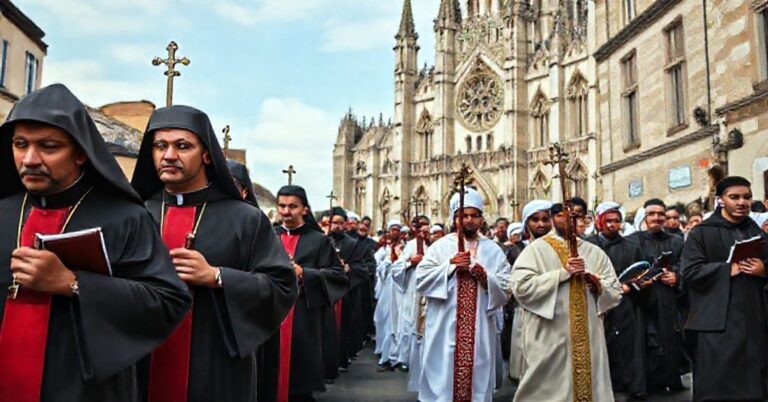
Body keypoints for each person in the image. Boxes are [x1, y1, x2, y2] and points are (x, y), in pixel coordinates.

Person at [0, 84, 191, 401]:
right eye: (21, 144)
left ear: (80, 153)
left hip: (83, 389)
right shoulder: (4, 210)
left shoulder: (126, 217)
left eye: (48, 146)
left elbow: (168, 301)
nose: (30, 159)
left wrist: (73, 284)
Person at [131, 105, 297, 402]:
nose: (169, 155)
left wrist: (216, 277)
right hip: (141, 364)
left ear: (207, 154)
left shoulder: (246, 219)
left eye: (182, 146)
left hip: (215, 367)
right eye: (160, 146)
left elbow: (282, 286)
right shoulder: (136, 214)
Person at [510, 202, 622, 402]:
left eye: (576, 215)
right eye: (563, 215)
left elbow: (615, 290)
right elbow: (521, 287)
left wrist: (598, 286)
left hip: (588, 336)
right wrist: (562, 274)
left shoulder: (594, 252)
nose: (571, 219)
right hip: (549, 335)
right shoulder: (535, 250)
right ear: (553, 217)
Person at [416, 188, 511, 402]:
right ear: (454, 218)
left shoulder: (493, 249)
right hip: (444, 327)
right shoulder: (440, 247)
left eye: (474, 215)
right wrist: (449, 267)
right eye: (463, 216)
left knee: (477, 373)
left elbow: (507, 285)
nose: (469, 220)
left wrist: (487, 279)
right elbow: (421, 279)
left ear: (481, 219)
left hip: (479, 329)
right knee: (443, 378)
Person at [682, 177, 768, 401]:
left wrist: (763, 270)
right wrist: (727, 270)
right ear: (720, 201)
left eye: (747, 197)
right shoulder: (701, 233)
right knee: (718, 386)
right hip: (717, 324)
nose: (742, 202)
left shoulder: (756, 232)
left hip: (754, 321)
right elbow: (690, 272)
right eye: (735, 197)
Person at [259, 186, 348, 402]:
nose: (286, 212)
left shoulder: (319, 240)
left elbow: (338, 276)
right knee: (266, 376)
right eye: (282, 206)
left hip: (303, 315)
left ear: (305, 210)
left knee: (298, 381)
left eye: (293, 206)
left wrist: (304, 273)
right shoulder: (267, 236)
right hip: (270, 314)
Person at [587, 202, 649, 399]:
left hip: (625, 304)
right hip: (597, 305)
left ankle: (630, 385)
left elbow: (642, 275)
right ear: (599, 222)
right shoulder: (589, 246)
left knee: (627, 346)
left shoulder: (631, 246)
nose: (613, 225)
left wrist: (632, 286)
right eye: (608, 221)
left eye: (616, 221)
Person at [626, 198, 686, 395]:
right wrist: (639, 280)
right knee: (644, 343)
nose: (657, 218)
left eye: (661, 214)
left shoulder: (676, 241)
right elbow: (627, 270)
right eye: (652, 214)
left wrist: (676, 276)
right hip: (642, 301)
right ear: (645, 216)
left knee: (669, 341)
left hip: (667, 299)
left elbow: (686, 266)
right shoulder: (633, 240)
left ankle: (669, 382)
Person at [507, 200, 553, 382]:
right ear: (527, 223)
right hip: (526, 311)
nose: (541, 224)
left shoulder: (560, 246)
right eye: (535, 220)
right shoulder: (517, 250)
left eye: (545, 219)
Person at [324, 208, 368, 376]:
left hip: (345, 293)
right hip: (325, 292)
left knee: (343, 329)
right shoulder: (323, 241)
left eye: (341, 223)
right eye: (334, 223)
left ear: (345, 225)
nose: (337, 226)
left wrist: (349, 269)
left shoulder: (352, 244)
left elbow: (362, 269)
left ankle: (341, 360)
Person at [390, 222, 431, 375]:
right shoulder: (412, 245)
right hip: (413, 290)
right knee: (410, 323)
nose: (427, 235)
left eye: (429, 231)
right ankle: (406, 359)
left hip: (430, 291)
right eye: (424, 231)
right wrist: (410, 263)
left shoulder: (435, 246)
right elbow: (396, 268)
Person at [373, 219, 405, 371]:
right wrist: (388, 261)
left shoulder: (405, 248)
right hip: (386, 289)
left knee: (399, 321)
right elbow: (377, 268)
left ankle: (398, 356)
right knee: (384, 320)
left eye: (397, 229)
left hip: (400, 289)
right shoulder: (383, 250)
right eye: (392, 229)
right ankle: (384, 354)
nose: (395, 232)